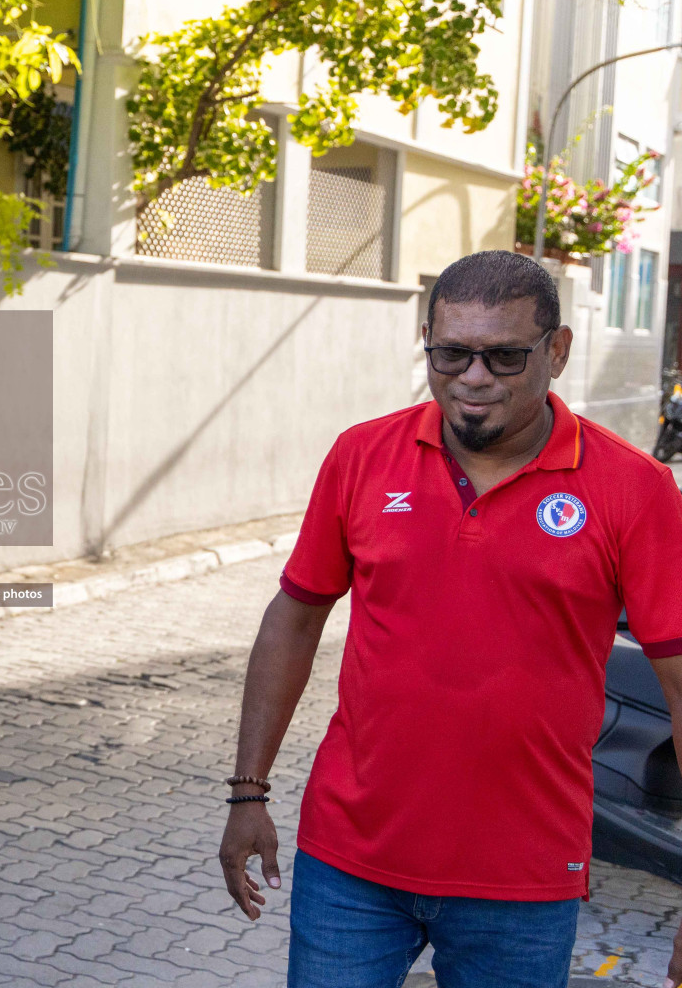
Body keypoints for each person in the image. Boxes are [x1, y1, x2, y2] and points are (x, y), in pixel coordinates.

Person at [217, 249, 682, 987]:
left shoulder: (635, 488)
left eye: (503, 357)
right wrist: (249, 791)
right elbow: (294, 619)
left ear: (556, 351)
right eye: (451, 353)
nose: (472, 378)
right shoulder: (362, 455)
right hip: (351, 863)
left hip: (524, 878)